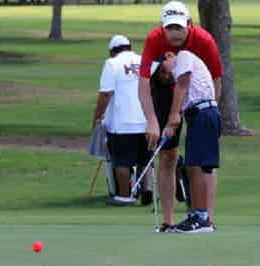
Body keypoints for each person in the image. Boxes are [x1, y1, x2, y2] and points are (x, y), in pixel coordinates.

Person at [138, 1, 223, 232]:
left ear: (190, 24)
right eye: (170, 28)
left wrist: (209, 114)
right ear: (162, 27)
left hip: (198, 94)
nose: (174, 33)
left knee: (204, 163)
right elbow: (144, 84)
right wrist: (152, 120)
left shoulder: (204, 41)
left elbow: (216, 81)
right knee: (168, 155)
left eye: (179, 27)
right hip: (166, 87)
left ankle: (206, 218)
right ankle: (168, 220)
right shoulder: (154, 39)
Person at [159, 51, 221, 233]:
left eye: (164, 69)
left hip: (203, 112)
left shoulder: (183, 57)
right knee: (194, 166)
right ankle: (199, 216)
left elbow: (183, 83)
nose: (167, 75)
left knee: (197, 167)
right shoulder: (180, 71)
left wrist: (173, 116)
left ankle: (200, 218)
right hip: (199, 115)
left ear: (169, 56)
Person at [92, 35, 153, 206]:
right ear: (130, 46)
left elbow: (105, 93)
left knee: (122, 161)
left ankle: (125, 196)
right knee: (145, 158)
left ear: (112, 51)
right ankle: (147, 188)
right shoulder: (143, 61)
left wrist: (97, 117)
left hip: (121, 122)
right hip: (146, 120)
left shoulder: (111, 63)